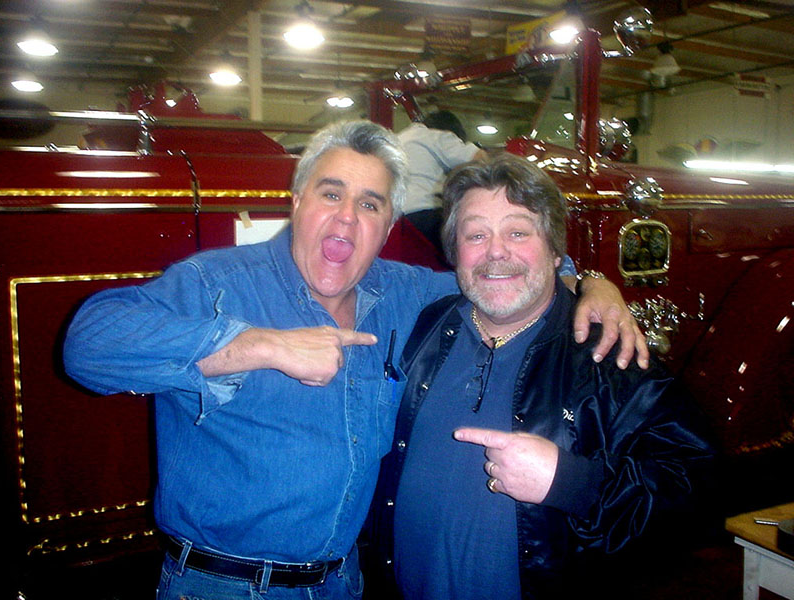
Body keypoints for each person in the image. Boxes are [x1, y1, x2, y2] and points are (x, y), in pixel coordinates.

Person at [63, 120, 646, 600]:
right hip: (221, 585)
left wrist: (591, 282)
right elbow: (87, 344)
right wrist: (259, 345)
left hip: (347, 584)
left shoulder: (407, 293)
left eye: (370, 204)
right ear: (297, 202)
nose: (347, 218)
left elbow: (500, 269)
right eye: (331, 193)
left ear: (389, 226)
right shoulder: (216, 282)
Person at [366, 154, 714, 600]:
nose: (496, 251)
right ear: (455, 254)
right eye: (476, 234)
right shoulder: (428, 325)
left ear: (555, 252)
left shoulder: (605, 352)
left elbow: (698, 490)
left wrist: (573, 483)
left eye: (517, 231)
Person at [398, 110, 485, 251]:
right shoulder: (436, 136)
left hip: (396, 222)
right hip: (427, 217)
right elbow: (481, 159)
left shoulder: (398, 139)